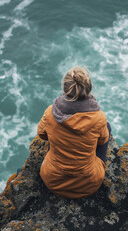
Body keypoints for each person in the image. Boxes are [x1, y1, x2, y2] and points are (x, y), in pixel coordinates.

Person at [37, 66, 111, 199]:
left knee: (53, 131)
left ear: (65, 89)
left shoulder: (50, 112)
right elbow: (103, 141)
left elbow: (42, 135)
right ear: (88, 89)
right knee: (107, 128)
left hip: (53, 181)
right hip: (88, 184)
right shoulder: (99, 118)